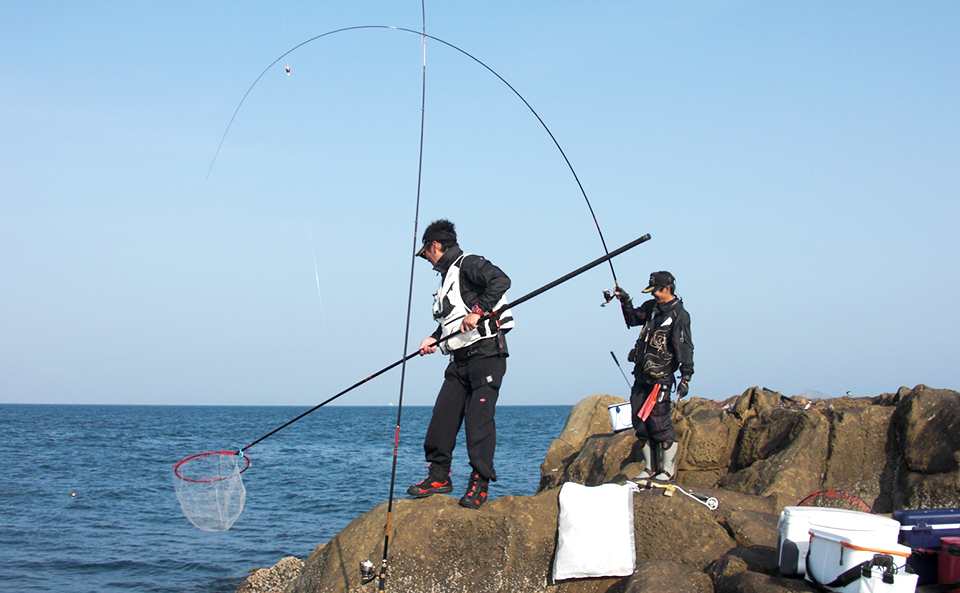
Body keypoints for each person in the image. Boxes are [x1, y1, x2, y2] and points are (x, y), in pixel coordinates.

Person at [407, 219, 514, 509]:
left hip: (487, 355)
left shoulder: (469, 264)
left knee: (478, 425)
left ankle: (479, 483)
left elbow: (501, 280)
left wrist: (479, 312)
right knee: (441, 420)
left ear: (435, 246)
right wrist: (433, 338)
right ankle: (439, 476)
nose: (426, 259)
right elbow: (454, 322)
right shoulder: (447, 278)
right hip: (459, 360)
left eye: (426, 252)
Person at [614, 271, 693, 483]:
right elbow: (632, 319)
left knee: (659, 422)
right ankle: (649, 468)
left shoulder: (680, 315)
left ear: (667, 289)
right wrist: (625, 301)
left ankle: (667, 471)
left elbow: (685, 348)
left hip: (661, 378)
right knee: (639, 421)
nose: (654, 295)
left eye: (656, 291)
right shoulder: (651, 308)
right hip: (641, 375)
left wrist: (685, 377)